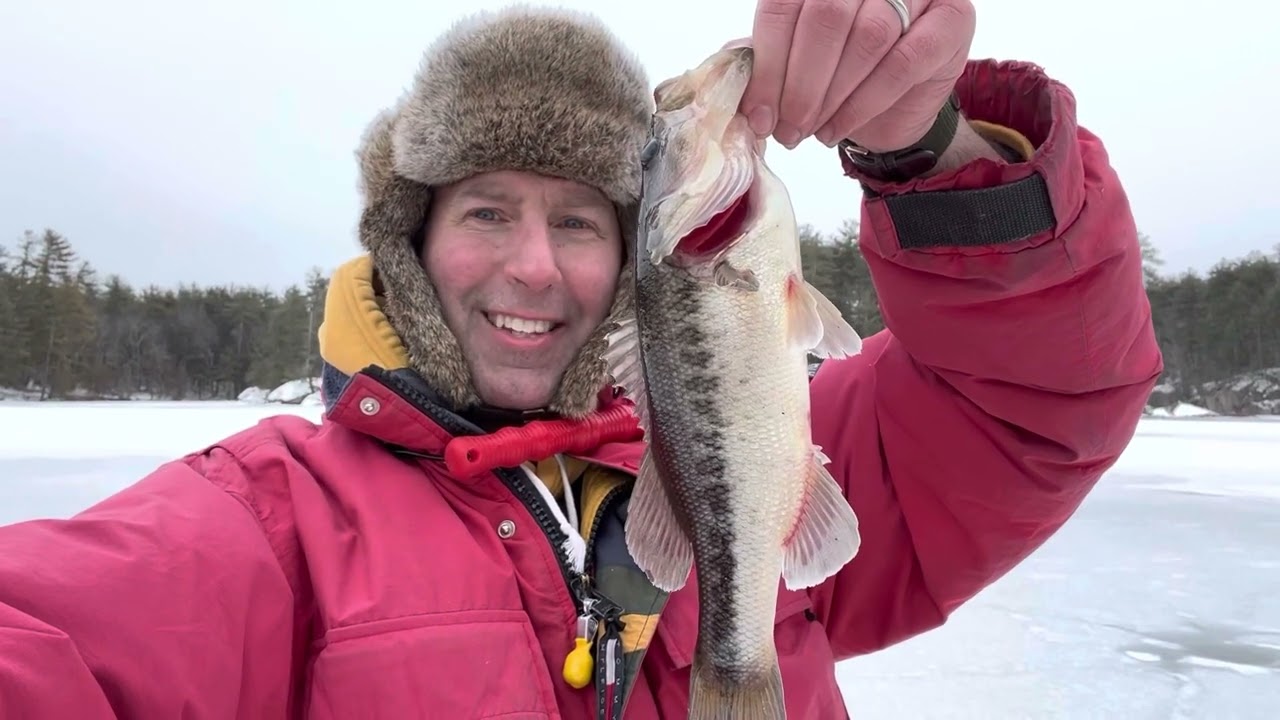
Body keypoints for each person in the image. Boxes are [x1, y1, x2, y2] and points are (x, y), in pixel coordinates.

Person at [0, 1, 1163, 718]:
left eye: (578, 220)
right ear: (410, 241)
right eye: (485, 212)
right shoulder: (271, 523)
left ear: (632, 255)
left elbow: (1031, 398)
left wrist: (925, 149)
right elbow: (53, 641)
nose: (534, 268)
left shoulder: (774, 459)